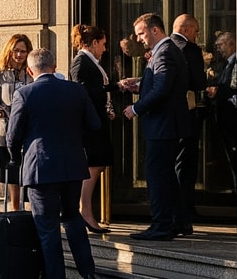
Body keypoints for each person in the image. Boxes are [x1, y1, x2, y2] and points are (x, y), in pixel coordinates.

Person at [6, 48, 101, 279]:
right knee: (72, 218)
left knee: (47, 230)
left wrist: (15, 158)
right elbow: (94, 124)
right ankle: (88, 275)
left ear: (29, 70)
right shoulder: (76, 90)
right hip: (72, 164)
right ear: (55, 65)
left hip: (41, 167)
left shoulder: (24, 93)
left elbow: (12, 136)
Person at [123, 12, 191, 240]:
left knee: (157, 175)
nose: (139, 39)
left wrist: (136, 108)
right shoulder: (167, 50)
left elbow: (162, 90)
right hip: (167, 125)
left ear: (155, 30)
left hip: (163, 125)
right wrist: (141, 84)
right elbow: (163, 84)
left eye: (141, 33)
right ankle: (180, 221)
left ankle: (161, 225)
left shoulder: (164, 52)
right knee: (167, 175)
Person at [70, 24, 130, 234]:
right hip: (89, 124)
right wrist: (115, 87)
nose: (105, 49)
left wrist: (117, 87)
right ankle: (85, 211)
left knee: (97, 166)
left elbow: (97, 89)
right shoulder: (81, 61)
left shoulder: (91, 61)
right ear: (94, 43)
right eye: (103, 44)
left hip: (97, 120)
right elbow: (84, 92)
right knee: (92, 168)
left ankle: (85, 210)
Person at [0, 34, 34, 211]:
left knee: (28, 169)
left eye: (23, 51)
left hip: (28, 129)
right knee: (11, 172)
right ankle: (14, 210)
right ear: (9, 51)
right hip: (6, 130)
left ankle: (30, 209)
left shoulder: (31, 72)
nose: (19, 55)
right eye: (16, 50)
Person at [170, 14, 207, 235]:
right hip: (186, 113)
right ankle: (183, 213)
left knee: (173, 164)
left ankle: (179, 212)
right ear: (188, 30)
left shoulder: (164, 47)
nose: (197, 35)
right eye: (197, 31)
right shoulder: (190, 50)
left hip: (167, 117)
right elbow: (198, 82)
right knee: (185, 164)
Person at [209, 30, 237, 194]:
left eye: (220, 45)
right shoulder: (228, 63)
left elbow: (234, 90)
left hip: (233, 121)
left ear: (232, 43)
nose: (218, 49)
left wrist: (217, 91)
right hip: (226, 122)